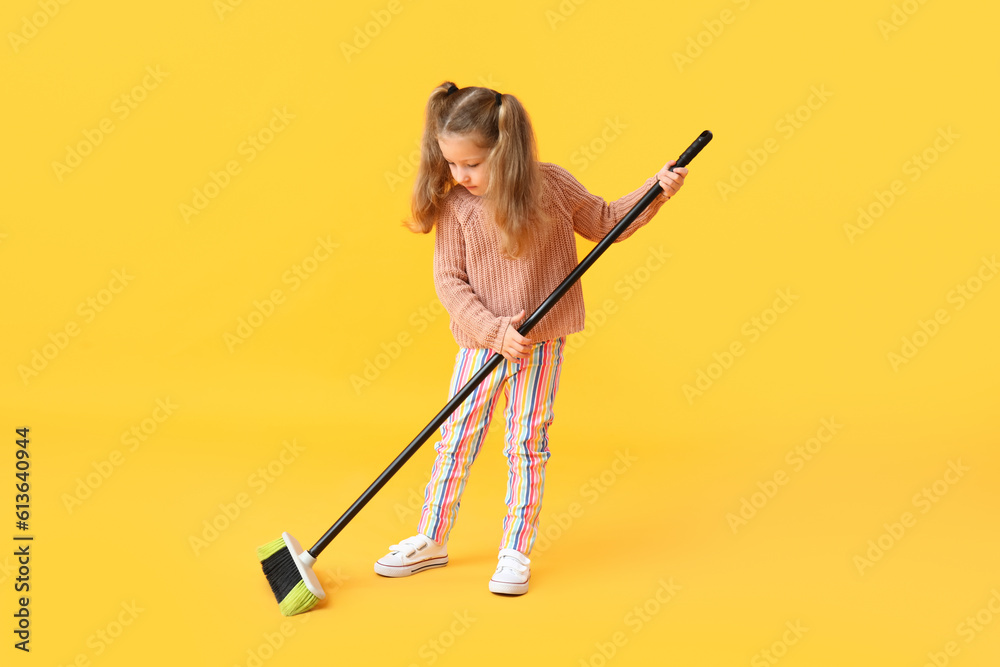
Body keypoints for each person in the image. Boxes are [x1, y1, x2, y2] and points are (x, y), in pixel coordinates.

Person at [374, 81, 688, 595]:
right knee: (455, 440)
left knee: (525, 442)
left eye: (471, 164)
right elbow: (450, 283)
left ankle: (515, 548)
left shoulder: (553, 189)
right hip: (481, 344)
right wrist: (494, 332)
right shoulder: (457, 208)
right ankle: (431, 538)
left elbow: (608, 221)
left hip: (539, 346)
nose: (460, 176)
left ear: (506, 149)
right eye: (451, 164)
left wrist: (654, 191)